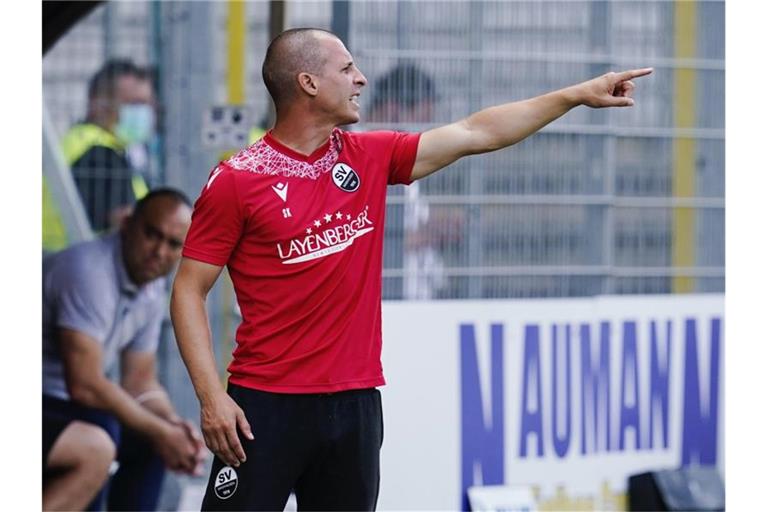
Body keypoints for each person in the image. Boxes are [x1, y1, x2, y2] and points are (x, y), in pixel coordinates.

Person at [170, 28, 652, 511]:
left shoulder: (369, 156)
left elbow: (474, 132)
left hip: (356, 402)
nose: (360, 79)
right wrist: (211, 398)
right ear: (308, 83)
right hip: (265, 405)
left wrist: (573, 96)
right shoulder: (238, 180)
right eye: (346, 69)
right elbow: (189, 290)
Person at [42, 188, 206, 511]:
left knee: (149, 441)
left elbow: (139, 380)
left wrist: (172, 426)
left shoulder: (152, 287)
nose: (159, 251)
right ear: (128, 224)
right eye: (151, 234)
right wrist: (160, 430)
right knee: (101, 438)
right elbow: (85, 385)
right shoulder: (88, 271)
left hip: (61, 403)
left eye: (173, 244)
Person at [368, 63, 447, 299]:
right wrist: (424, 235)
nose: (422, 134)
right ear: (394, 109)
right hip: (387, 298)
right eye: (420, 123)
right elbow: (363, 237)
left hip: (417, 295)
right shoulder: (362, 156)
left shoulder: (399, 154)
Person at [59, 59, 153, 234]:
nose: (143, 113)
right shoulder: (100, 154)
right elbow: (126, 226)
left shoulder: (76, 140)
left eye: (146, 104)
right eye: (134, 104)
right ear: (98, 103)